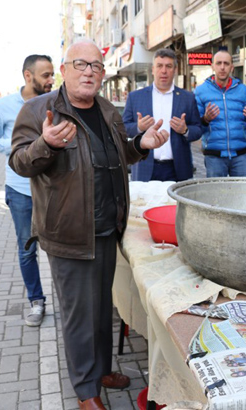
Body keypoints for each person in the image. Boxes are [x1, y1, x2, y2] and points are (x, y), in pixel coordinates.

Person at [9, 39, 168, 410]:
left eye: (96, 66)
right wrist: (45, 144)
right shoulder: (38, 110)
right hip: (69, 233)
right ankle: (86, 391)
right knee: (80, 316)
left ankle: (102, 371)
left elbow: (120, 155)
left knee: (101, 311)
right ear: (64, 70)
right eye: (80, 64)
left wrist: (140, 144)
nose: (89, 72)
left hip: (106, 229)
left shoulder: (108, 109)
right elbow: (19, 162)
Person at [0, 54, 55, 327]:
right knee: (27, 250)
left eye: (52, 74)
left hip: (53, 189)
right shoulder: (4, 106)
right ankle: (36, 301)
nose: (51, 80)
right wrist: (16, 148)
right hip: (20, 190)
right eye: (45, 75)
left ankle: (69, 300)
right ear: (28, 76)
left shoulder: (56, 102)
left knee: (59, 246)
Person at [122, 48, 202, 182]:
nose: (164, 71)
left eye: (168, 66)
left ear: (175, 70)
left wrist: (185, 130)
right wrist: (139, 127)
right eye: (159, 66)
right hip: (145, 167)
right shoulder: (135, 97)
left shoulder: (187, 98)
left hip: (177, 169)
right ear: (153, 69)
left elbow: (198, 129)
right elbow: (123, 129)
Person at [194, 50, 246, 177]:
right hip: (214, 156)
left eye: (226, 63)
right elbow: (197, 127)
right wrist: (206, 119)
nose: (222, 67)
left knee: (245, 193)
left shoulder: (242, 90)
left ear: (232, 67)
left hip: (241, 155)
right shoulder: (201, 91)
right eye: (219, 63)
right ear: (212, 66)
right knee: (216, 195)